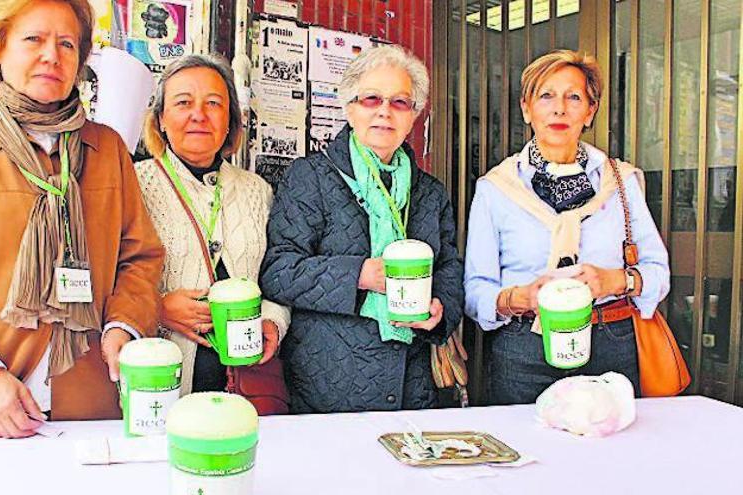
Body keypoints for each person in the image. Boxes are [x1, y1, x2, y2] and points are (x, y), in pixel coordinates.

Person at [0, 0, 164, 489]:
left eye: (67, 44)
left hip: (87, 404)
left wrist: (123, 325)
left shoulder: (106, 152)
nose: (52, 56)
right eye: (33, 40)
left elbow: (139, 257)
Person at [260, 45, 464, 413]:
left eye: (400, 102)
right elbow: (278, 271)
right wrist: (359, 274)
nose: (385, 111)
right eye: (371, 99)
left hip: (412, 380)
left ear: (414, 115)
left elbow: (449, 269)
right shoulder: (311, 178)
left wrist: (440, 312)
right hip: (330, 378)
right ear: (349, 107)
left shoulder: (429, 193)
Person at [463, 50, 670, 405]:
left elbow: (658, 272)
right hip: (524, 346)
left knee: (609, 454)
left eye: (573, 97)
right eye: (546, 96)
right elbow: (475, 289)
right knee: (526, 451)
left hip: (610, 340)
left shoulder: (620, 181)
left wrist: (615, 280)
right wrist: (518, 298)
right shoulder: (496, 188)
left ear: (590, 111)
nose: (559, 108)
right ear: (527, 108)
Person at [134, 54, 290, 395]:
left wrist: (274, 320)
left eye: (214, 103)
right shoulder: (133, 183)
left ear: (230, 119)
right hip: (161, 381)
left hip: (244, 381)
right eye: (183, 103)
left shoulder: (257, 190)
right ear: (160, 119)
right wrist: (154, 309)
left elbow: (279, 274)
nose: (198, 115)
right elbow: (106, 278)